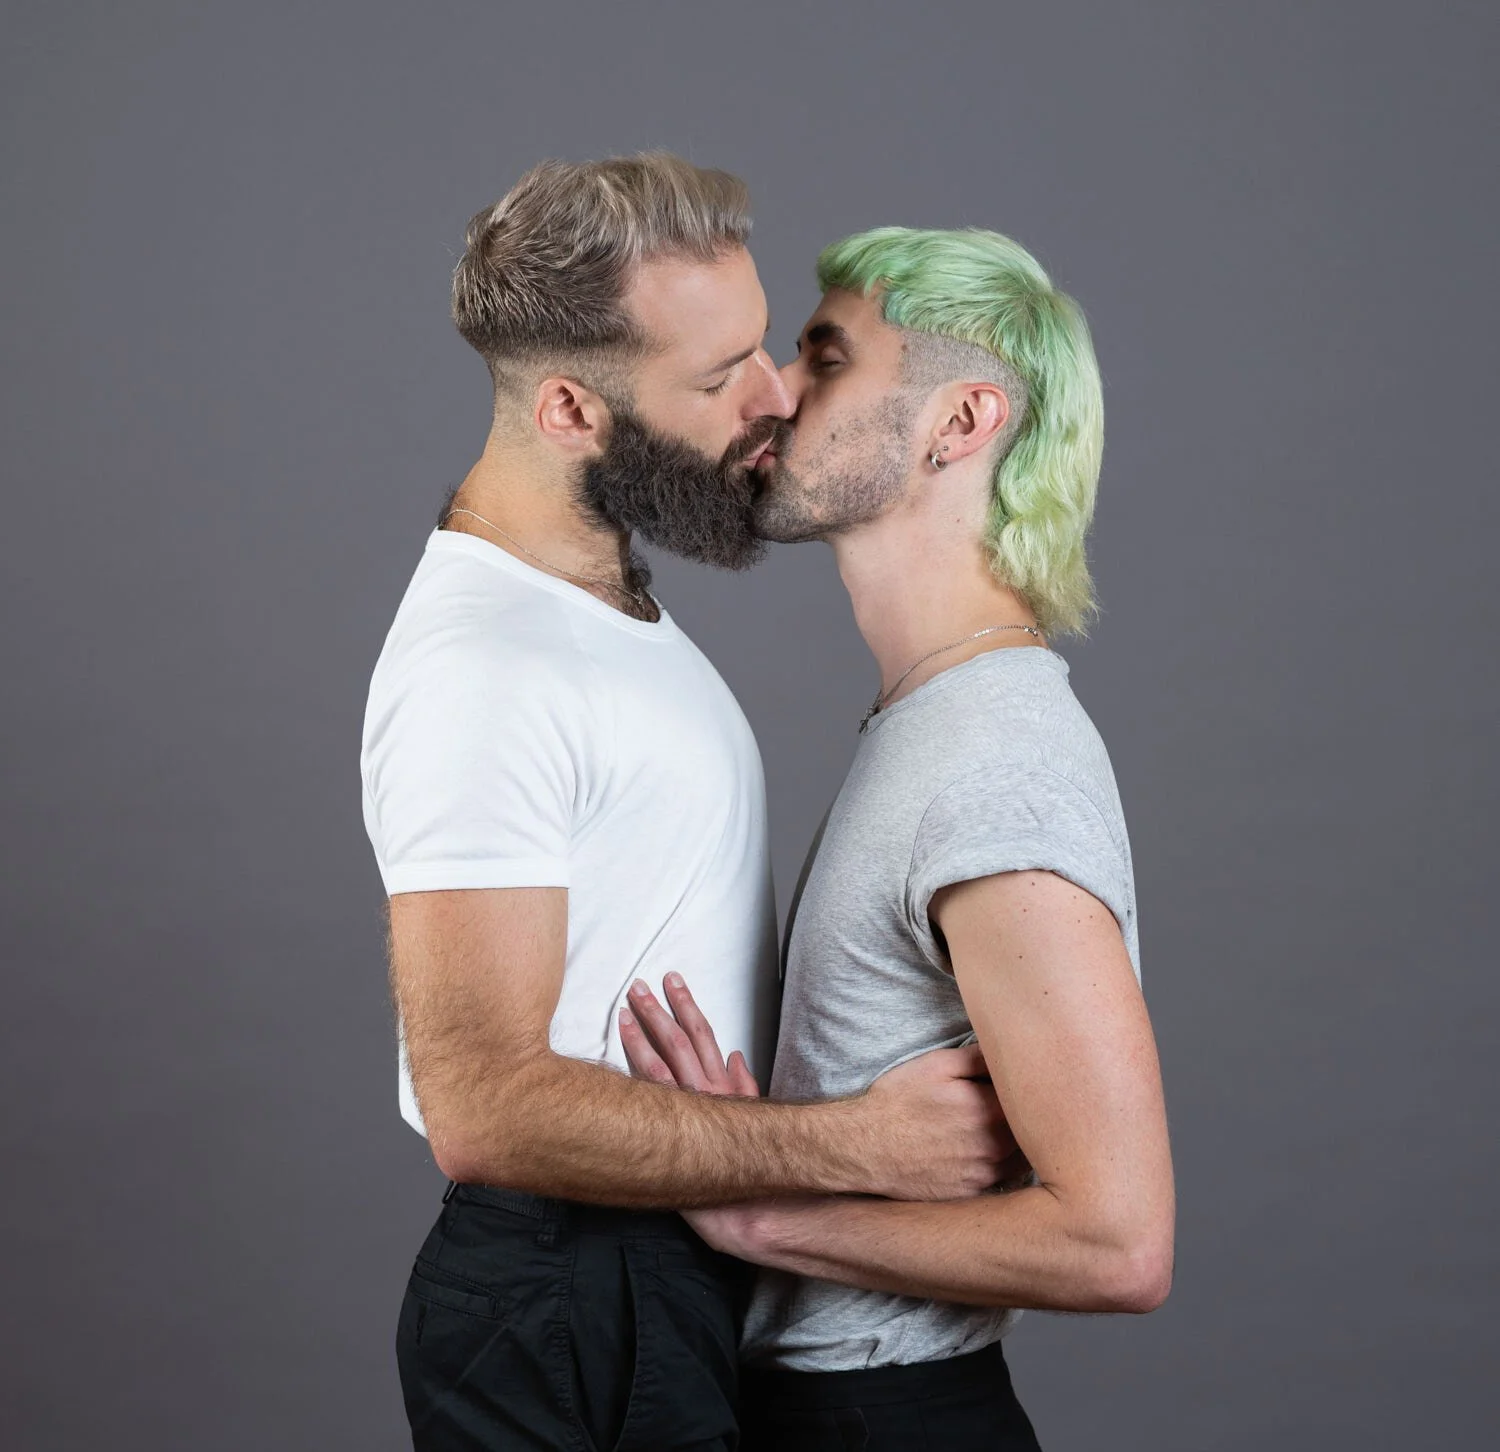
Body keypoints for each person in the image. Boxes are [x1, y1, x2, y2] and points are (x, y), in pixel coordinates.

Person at [359, 160, 1012, 1452]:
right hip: (574, 1295)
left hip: (653, 1277)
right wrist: (853, 1146)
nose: (776, 396)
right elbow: (483, 1110)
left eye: (763, 346)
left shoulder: (599, 608)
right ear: (568, 409)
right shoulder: (486, 666)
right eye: (719, 379)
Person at [621, 226, 1176, 1451]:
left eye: (826, 358)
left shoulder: (998, 764)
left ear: (959, 423)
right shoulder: (932, 722)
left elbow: (1118, 1241)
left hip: (882, 1420)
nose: (774, 393)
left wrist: (761, 1216)